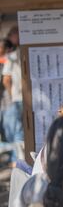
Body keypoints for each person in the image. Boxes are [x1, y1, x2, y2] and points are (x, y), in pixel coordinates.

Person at [2, 26, 24, 165]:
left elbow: (6, 79)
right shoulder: (25, 52)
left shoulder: (13, 55)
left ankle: (16, 160)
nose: (9, 36)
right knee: (19, 130)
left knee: (17, 131)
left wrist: (11, 94)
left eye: (11, 33)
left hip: (18, 99)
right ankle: (17, 159)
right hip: (25, 99)